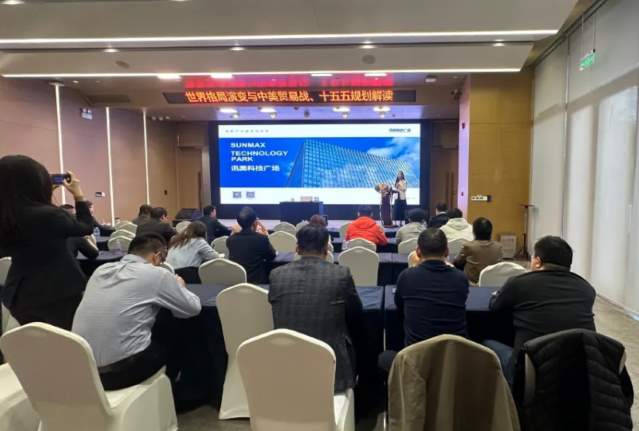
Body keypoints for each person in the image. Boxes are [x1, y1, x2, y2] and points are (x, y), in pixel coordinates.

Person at [72, 234, 202, 390]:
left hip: (84, 368)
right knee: (176, 330)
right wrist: (180, 286)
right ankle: (178, 391)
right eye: (162, 260)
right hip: (120, 371)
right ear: (157, 256)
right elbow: (193, 308)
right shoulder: (157, 274)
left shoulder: (101, 270)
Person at [0, 155, 94, 329]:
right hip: (59, 293)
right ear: (37, 183)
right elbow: (86, 227)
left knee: (36, 341)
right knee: (65, 341)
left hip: (18, 294)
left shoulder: (7, 216)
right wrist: (78, 195)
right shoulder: (51, 216)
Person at [486, 236, 596, 383]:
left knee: (486, 343)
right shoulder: (587, 289)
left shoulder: (520, 283)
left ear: (537, 262)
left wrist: (496, 295)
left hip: (528, 374)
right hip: (576, 374)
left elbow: (495, 306)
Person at [269, 224, 362, 393]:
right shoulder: (340, 274)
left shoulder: (277, 275)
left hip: (286, 365)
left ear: (297, 248)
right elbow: (356, 313)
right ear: (326, 249)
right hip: (332, 369)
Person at [379, 228, 469, 371]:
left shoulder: (407, 276)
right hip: (454, 362)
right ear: (446, 252)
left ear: (418, 252)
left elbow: (399, 306)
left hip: (417, 362)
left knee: (384, 358)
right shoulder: (461, 278)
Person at [226, 207, 276, 284]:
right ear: (255, 222)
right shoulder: (261, 239)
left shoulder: (230, 240)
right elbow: (272, 256)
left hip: (237, 283)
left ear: (239, 223)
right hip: (257, 283)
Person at [454, 217, 503, 284]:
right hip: (491, 282)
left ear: (474, 231)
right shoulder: (499, 247)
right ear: (490, 231)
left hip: (472, 283)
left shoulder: (468, 246)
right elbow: (499, 266)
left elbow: (457, 263)